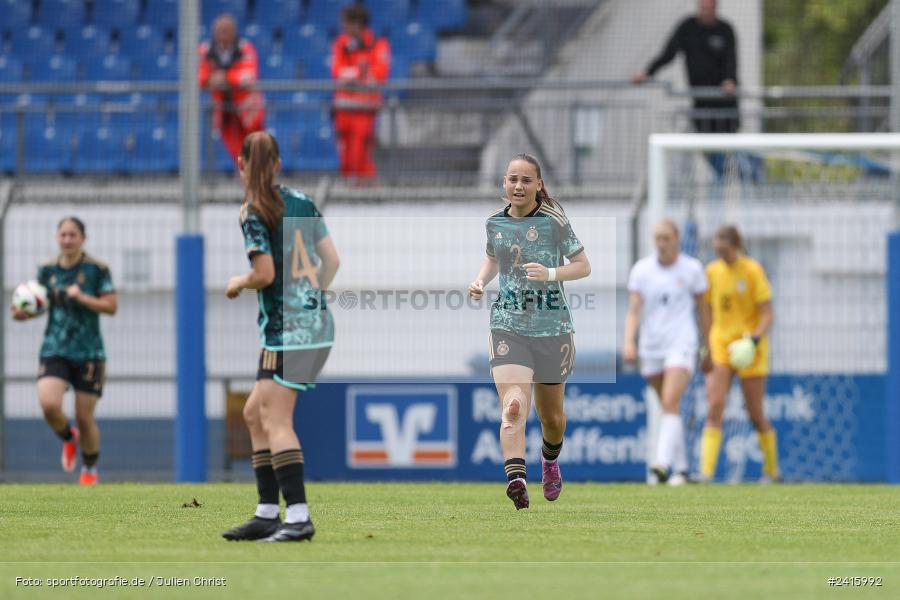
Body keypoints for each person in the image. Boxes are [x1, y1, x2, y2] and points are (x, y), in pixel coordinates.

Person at [222, 132, 340, 542]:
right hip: (307, 326)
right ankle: (267, 512)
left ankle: (298, 518)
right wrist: (311, 298)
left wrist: (238, 282)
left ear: (240, 166)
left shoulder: (253, 211)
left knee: (275, 418)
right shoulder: (302, 201)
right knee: (255, 412)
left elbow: (264, 275)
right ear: (277, 165)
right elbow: (332, 261)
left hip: (288, 331)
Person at [468, 153, 591, 510]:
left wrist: (550, 274)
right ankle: (516, 480)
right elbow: (493, 257)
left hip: (553, 328)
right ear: (504, 184)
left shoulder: (553, 220)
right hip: (508, 325)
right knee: (513, 405)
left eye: (525, 180)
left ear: (538, 185)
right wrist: (479, 280)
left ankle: (549, 461)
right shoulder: (494, 223)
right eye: (512, 180)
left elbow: (583, 266)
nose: (518, 186)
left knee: (552, 419)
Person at [10, 217, 117, 485]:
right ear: (57, 238)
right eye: (63, 235)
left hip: (89, 352)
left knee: (84, 416)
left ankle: (90, 469)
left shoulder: (97, 269)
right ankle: (69, 438)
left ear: (83, 238)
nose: (67, 240)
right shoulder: (46, 270)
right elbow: (38, 304)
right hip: (55, 348)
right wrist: (23, 314)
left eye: (73, 235)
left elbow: (111, 306)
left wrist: (82, 297)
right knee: (49, 405)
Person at [624, 220, 708, 486]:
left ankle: (660, 464)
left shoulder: (693, 269)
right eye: (657, 238)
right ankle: (682, 470)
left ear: (676, 237)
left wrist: (708, 343)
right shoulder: (641, 270)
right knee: (669, 407)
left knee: (671, 401)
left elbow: (704, 310)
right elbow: (634, 310)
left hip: (681, 343)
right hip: (652, 345)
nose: (661, 243)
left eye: (666, 238)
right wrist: (629, 341)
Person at [700, 225, 779, 482]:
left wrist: (754, 340)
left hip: (749, 347)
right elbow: (707, 311)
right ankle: (706, 473)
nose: (720, 254)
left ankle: (771, 470)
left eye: (724, 249)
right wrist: (706, 346)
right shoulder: (711, 271)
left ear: (735, 246)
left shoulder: (753, 270)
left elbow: (768, 314)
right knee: (715, 405)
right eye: (716, 250)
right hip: (720, 345)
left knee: (755, 412)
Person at [632, 0, 739, 134]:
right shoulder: (687, 27)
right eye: (702, 7)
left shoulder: (725, 29)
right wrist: (647, 72)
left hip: (724, 99)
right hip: (700, 99)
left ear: (715, 8)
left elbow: (731, 59)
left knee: (727, 145)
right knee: (706, 142)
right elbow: (668, 54)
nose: (705, 11)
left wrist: (730, 79)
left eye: (708, 8)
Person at [331, 4, 391, 179]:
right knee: (345, 154)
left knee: (361, 153)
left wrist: (354, 75)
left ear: (357, 24)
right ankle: (348, 190)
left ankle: (364, 192)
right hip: (343, 110)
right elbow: (337, 72)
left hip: (365, 110)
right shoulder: (341, 44)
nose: (343, 28)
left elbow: (379, 75)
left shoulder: (378, 44)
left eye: (346, 24)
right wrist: (359, 72)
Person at [198, 14, 266, 165]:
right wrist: (216, 80)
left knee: (256, 149)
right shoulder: (205, 50)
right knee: (238, 153)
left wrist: (225, 78)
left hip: (248, 109)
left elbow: (248, 75)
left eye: (226, 30)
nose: (223, 34)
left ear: (233, 31)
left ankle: (260, 182)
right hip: (224, 110)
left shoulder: (244, 47)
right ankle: (249, 181)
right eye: (220, 30)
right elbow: (200, 77)